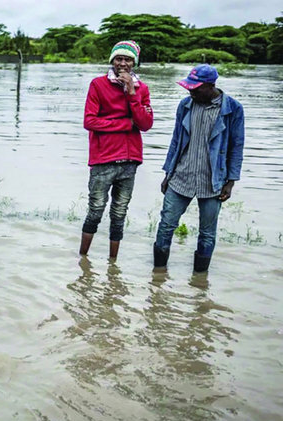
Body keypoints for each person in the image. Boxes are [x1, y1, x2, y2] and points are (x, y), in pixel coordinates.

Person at [153, 64, 244, 272]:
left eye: (195, 88)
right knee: (166, 225)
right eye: (189, 87)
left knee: (207, 233)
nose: (190, 91)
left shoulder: (233, 109)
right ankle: (157, 277)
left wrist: (231, 181)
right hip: (181, 176)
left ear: (210, 86)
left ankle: (200, 282)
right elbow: (176, 141)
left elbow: (236, 146)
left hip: (213, 181)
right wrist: (168, 173)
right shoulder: (185, 105)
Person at [80, 40, 153, 260]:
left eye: (128, 59)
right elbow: (90, 122)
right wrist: (126, 125)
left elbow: (146, 124)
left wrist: (131, 92)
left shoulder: (142, 89)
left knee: (119, 214)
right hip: (104, 160)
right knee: (96, 210)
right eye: (119, 59)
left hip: (130, 162)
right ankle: (83, 259)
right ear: (112, 60)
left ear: (134, 63)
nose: (123, 63)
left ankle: (113, 264)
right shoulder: (98, 84)